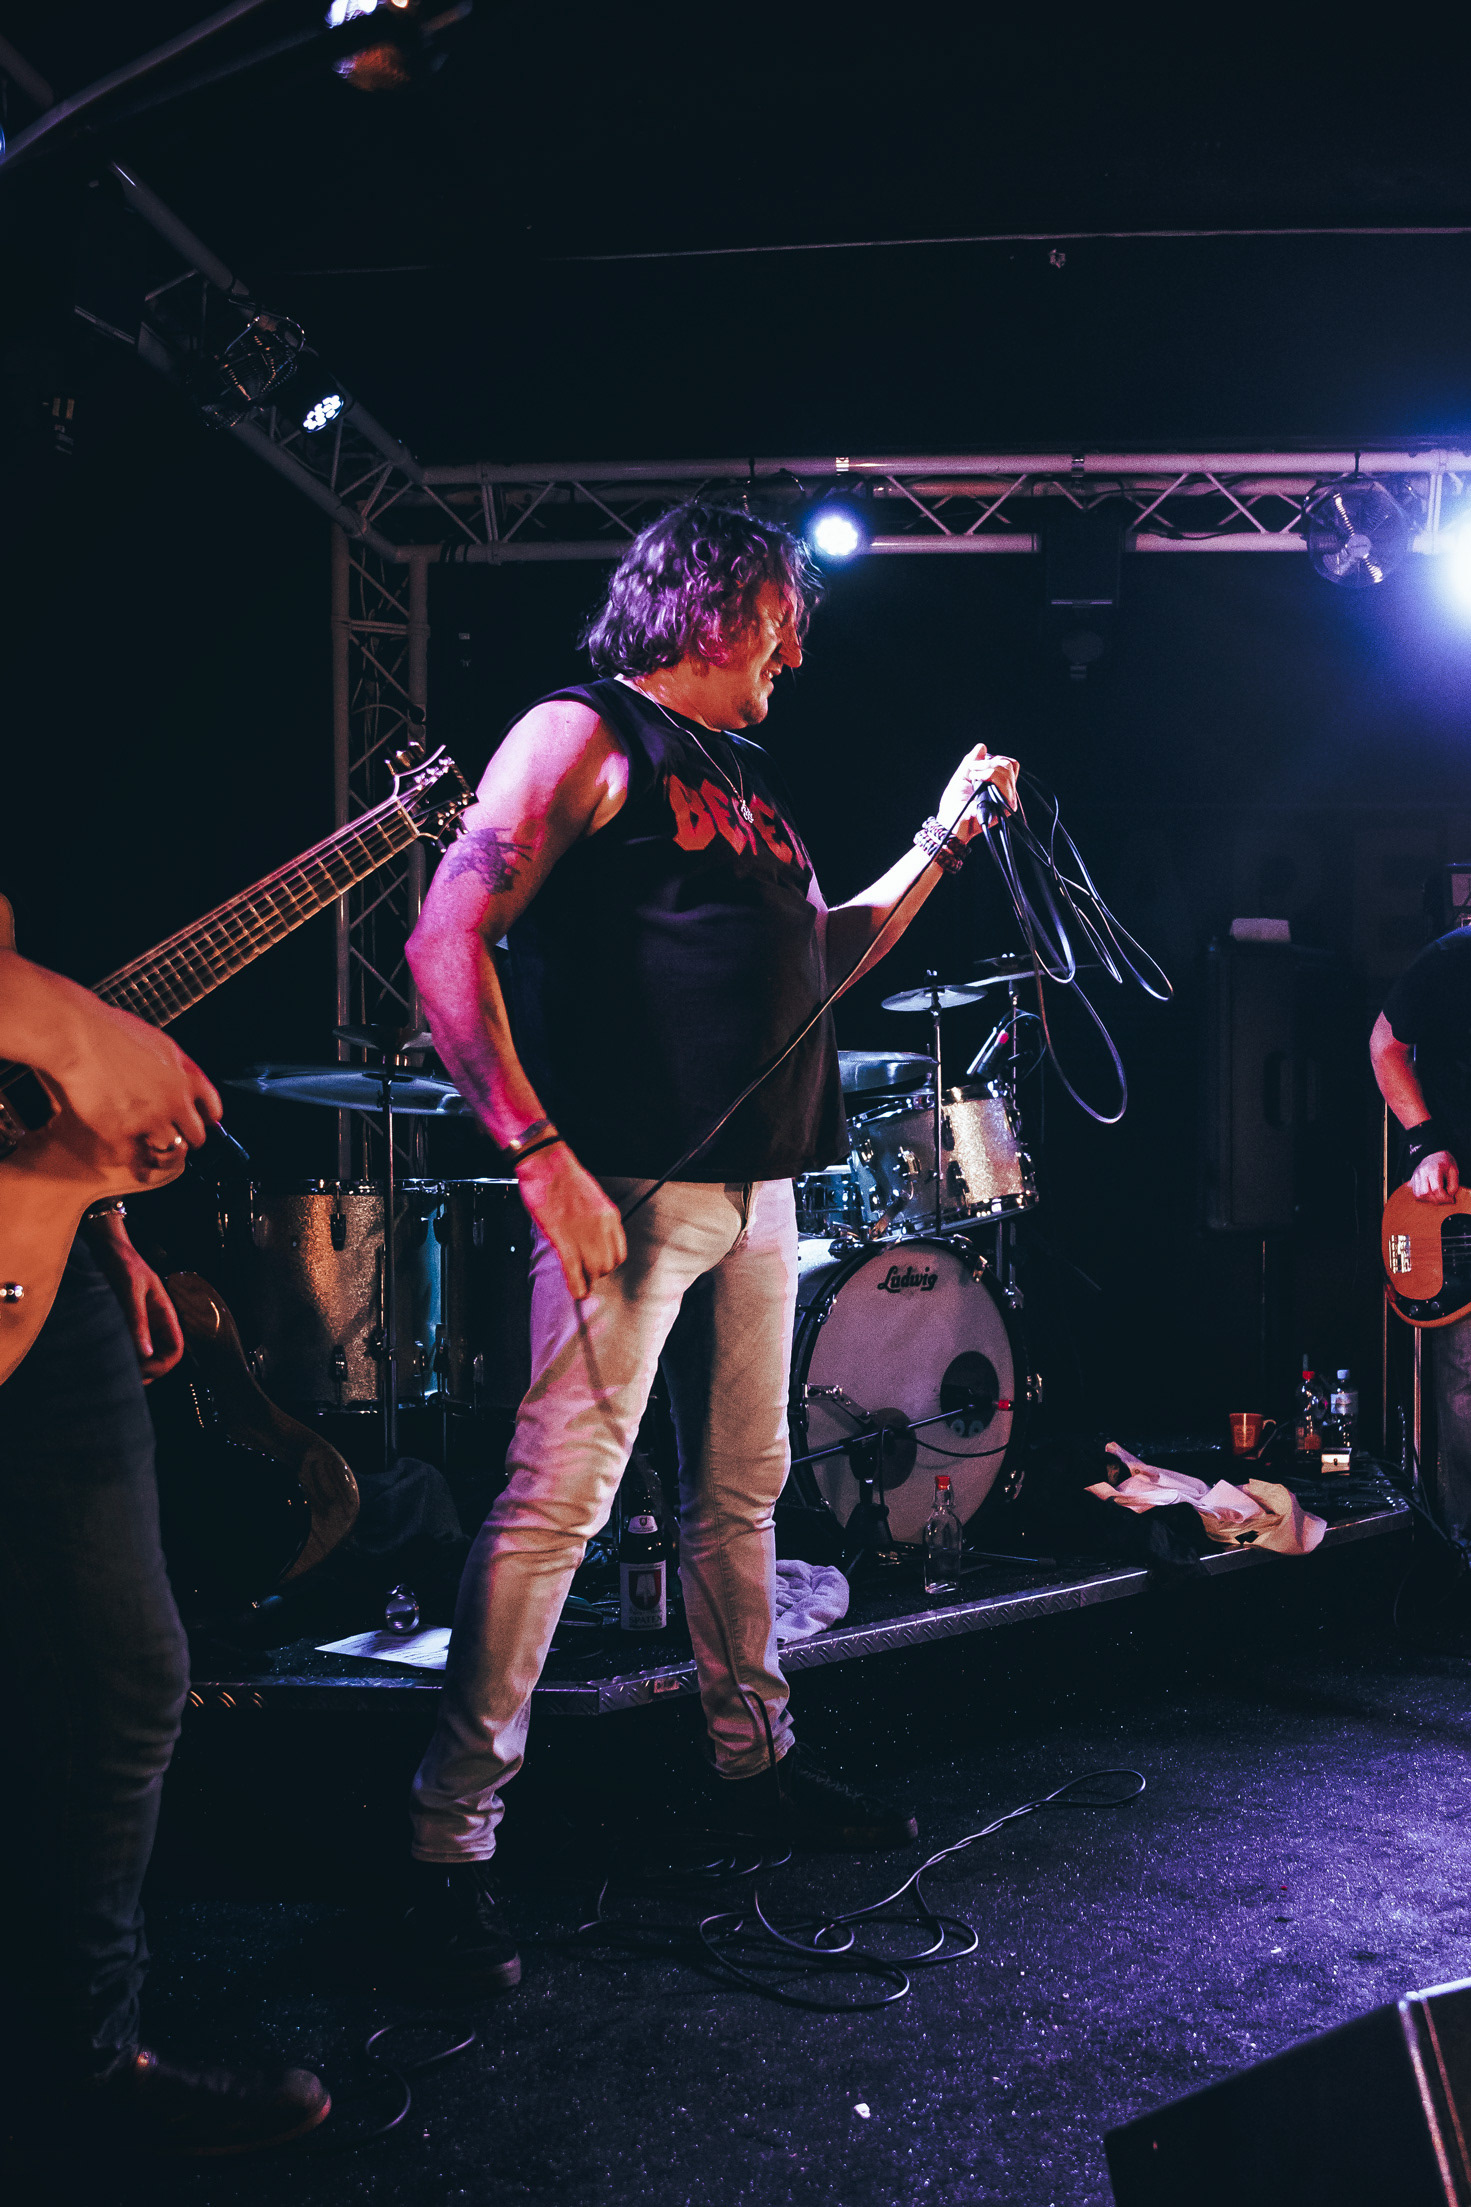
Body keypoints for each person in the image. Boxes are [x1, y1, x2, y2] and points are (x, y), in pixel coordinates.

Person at [404, 499, 1019, 1991]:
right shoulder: (581, 731)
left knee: (741, 1490)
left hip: (758, 1187)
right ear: (708, 603)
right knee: (558, 1502)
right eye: (779, 620)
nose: (794, 652)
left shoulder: (746, 782)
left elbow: (822, 954)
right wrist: (537, 1152)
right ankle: (446, 1841)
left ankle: (752, 1764)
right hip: (625, 1180)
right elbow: (443, 936)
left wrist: (939, 842)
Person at [0, 937, 330, 2155]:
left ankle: (84, 2067)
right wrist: (75, 1029)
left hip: (43, 1257)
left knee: (123, 1677)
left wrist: (92, 1223)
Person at [1371, 920, 1471, 1546]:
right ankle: (1466, 1548)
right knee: (1466, 1383)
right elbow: (1386, 1045)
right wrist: (1426, 1142)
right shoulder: (1455, 958)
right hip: (1457, 1209)